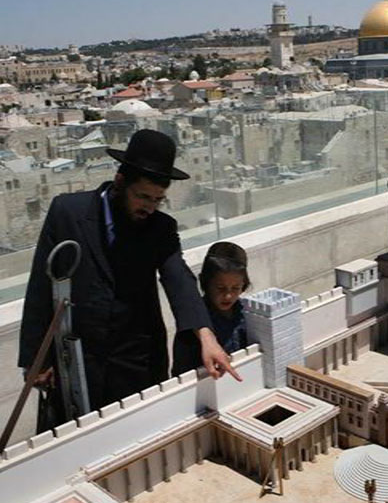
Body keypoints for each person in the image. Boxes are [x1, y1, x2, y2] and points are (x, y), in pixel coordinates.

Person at [18, 129, 240, 431]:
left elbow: (178, 279)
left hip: (137, 360)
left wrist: (206, 335)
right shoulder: (67, 212)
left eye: (158, 200)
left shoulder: (160, 227)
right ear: (120, 182)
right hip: (80, 356)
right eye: (143, 196)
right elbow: (41, 286)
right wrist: (36, 358)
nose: (149, 207)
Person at [172, 242, 250, 376]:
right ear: (205, 282)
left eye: (235, 288)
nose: (228, 296)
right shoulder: (193, 324)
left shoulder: (247, 313)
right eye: (220, 288)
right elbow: (183, 375)